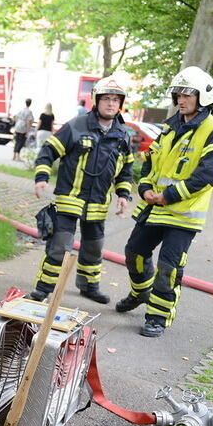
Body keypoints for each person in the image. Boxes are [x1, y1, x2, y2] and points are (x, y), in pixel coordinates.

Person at [116, 66, 213, 337]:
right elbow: (150, 161)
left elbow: (210, 173)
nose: (180, 99)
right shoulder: (170, 127)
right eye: (178, 94)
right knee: (134, 253)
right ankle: (141, 292)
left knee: (169, 267)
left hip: (183, 214)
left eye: (187, 94)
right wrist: (145, 188)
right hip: (155, 208)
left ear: (202, 96)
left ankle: (158, 317)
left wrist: (169, 195)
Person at [30, 76, 134, 304]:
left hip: (98, 204)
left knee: (94, 248)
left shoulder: (123, 135)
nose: (111, 103)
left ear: (120, 104)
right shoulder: (77, 126)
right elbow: (49, 150)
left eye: (115, 100)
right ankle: (43, 289)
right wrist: (41, 177)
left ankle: (89, 286)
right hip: (70, 199)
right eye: (106, 99)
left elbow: (126, 170)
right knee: (59, 246)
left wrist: (123, 195)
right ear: (96, 101)